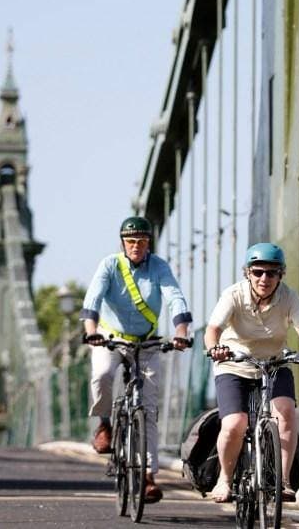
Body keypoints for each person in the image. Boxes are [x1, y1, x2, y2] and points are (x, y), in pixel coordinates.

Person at [80, 215, 193, 504]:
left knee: (149, 407)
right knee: (102, 374)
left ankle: (148, 476)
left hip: (147, 342)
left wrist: (181, 332)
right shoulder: (110, 265)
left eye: (141, 242)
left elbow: (175, 297)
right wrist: (91, 332)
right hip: (110, 337)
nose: (136, 246)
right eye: (130, 241)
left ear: (148, 243)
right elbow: (93, 299)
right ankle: (104, 424)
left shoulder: (159, 267)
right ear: (122, 243)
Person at [204, 242, 299, 503]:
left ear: (281, 275)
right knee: (235, 423)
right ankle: (224, 479)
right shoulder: (233, 295)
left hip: (273, 364)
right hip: (234, 364)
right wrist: (215, 349)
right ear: (247, 273)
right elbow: (213, 329)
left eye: (272, 273)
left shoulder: (289, 297)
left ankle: (283, 481)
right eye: (257, 272)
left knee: (286, 413)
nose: (264, 279)